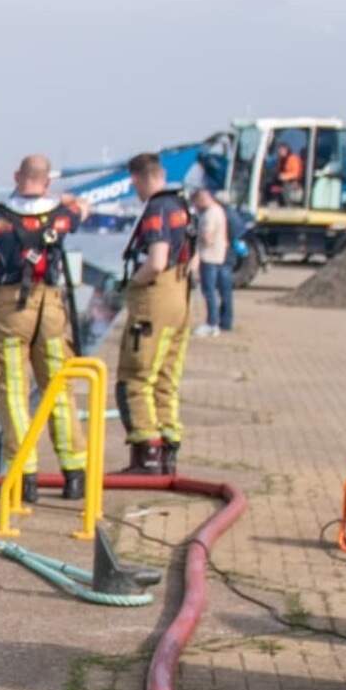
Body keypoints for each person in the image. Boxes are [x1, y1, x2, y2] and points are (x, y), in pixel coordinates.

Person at [0, 155, 86, 502]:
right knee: (59, 388)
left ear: (17, 176)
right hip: (51, 309)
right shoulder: (60, 216)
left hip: (11, 309)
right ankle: (75, 474)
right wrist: (60, 197)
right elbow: (81, 208)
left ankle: (24, 477)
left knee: (14, 392)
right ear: (47, 182)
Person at [116, 154, 198, 476]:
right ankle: (168, 450)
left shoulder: (157, 209)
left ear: (137, 178)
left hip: (156, 298)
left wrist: (131, 284)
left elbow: (157, 261)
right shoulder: (181, 205)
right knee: (166, 377)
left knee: (136, 376)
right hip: (181, 295)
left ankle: (146, 455)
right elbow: (195, 257)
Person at [192, 182, 235, 335]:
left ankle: (212, 323)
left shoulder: (209, 214)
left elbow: (207, 237)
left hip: (209, 256)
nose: (195, 206)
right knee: (224, 291)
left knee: (209, 291)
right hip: (220, 255)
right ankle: (225, 322)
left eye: (196, 202)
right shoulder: (220, 210)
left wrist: (198, 241)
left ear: (201, 199)